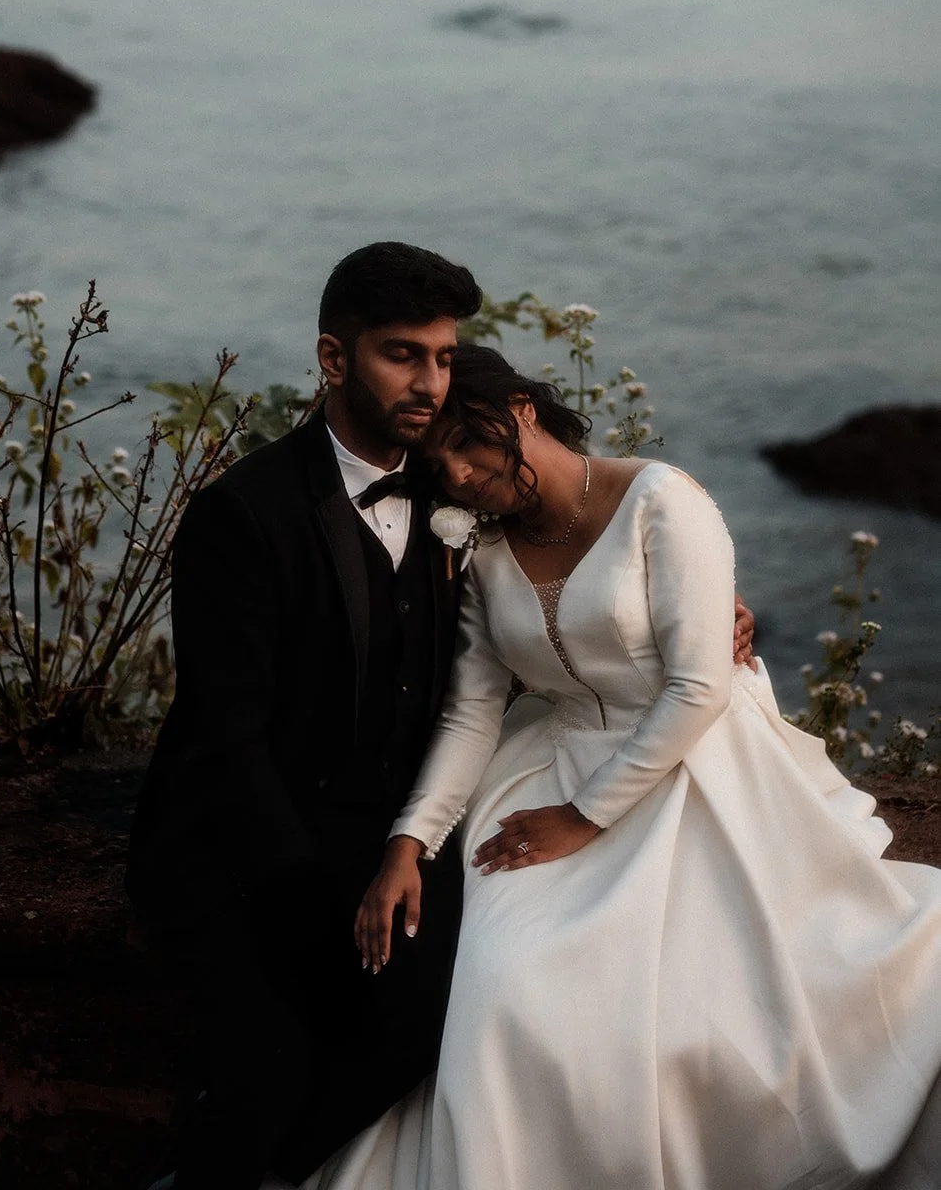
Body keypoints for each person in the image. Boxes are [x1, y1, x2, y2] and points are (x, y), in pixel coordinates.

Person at [126, 244, 755, 1190]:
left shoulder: (461, 490)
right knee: (269, 1068)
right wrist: (317, 895)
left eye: (443, 357)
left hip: (398, 821)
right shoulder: (242, 515)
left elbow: (567, 587)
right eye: (400, 355)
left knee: (459, 1013)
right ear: (334, 359)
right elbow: (226, 735)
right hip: (253, 847)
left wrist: (710, 622)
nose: (428, 382)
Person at [304, 343, 941, 1190]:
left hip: (700, 765)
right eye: (436, 460)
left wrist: (583, 818)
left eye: (469, 441)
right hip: (543, 763)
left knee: (711, 1009)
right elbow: (470, 709)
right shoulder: (483, 550)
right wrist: (407, 844)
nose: (455, 475)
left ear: (523, 409)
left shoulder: (661, 501)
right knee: (504, 983)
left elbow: (698, 684)